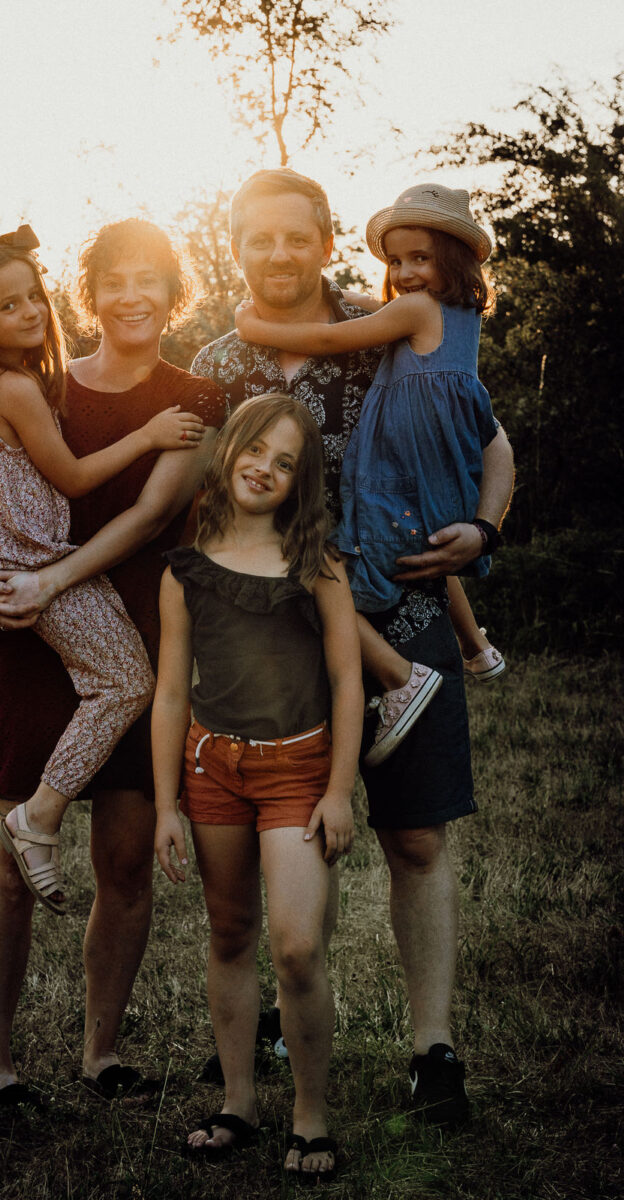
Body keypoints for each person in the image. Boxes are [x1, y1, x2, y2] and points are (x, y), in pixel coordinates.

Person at [192, 168, 515, 1126]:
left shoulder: (392, 329)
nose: (278, 255)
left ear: (328, 240)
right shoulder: (214, 365)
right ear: (236, 246)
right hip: (267, 650)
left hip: (405, 610)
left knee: (415, 834)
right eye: (259, 239)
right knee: (288, 847)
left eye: (298, 237)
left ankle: (434, 1052)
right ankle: (281, 1030)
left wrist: (486, 529)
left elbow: (489, 438)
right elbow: (185, 495)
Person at [0, 218, 227, 1102]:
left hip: (137, 625)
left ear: (177, 294)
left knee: (126, 862)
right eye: (115, 281)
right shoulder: (35, 385)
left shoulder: (195, 398)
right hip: (28, 628)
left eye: (152, 281)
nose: (133, 297)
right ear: (87, 294)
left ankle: (100, 1055)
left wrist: (47, 581)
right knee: (9, 866)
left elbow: (146, 517)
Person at [153, 394, 362, 1179]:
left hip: (298, 771)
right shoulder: (187, 567)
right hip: (213, 770)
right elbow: (172, 692)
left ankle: (310, 1116)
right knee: (230, 932)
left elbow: (347, 681)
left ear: (300, 481)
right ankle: (238, 1100)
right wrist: (168, 803)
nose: (264, 469)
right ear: (229, 447)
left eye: (285, 463)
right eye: (256, 451)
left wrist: (338, 791)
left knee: (298, 946)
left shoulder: (316, 564)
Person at [234, 182, 507, 766]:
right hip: (432, 480)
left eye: (421, 259)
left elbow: (332, 336)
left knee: (308, 564)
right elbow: (370, 310)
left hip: (389, 496)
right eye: (397, 261)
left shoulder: (409, 317)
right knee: (416, 539)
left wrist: (255, 330)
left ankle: (398, 676)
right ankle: (477, 645)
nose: (405, 273)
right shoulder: (448, 318)